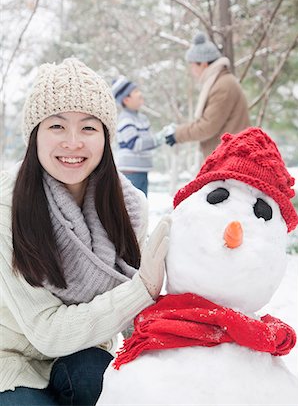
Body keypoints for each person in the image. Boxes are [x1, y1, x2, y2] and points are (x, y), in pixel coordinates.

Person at [0, 58, 170, 406]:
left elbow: (133, 316)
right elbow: (46, 332)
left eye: (89, 128)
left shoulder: (129, 207)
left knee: (105, 384)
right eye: (57, 127)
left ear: (106, 137)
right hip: (13, 358)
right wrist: (141, 291)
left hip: (85, 353)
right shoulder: (7, 206)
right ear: (34, 136)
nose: (73, 143)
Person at [165, 31, 250, 163]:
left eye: (192, 65)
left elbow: (208, 126)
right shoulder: (219, 81)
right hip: (226, 157)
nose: (192, 71)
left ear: (203, 64)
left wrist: (178, 134)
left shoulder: (223, 85)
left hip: (230, 159)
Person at [112, 76, 165, 197]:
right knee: (133, 205)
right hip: (130, 171)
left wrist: (159, 138)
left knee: (143, 204)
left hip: (142, 169)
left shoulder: (143, 118)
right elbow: (135, 144)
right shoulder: (125, 119)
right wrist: (158, 139)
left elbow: (149, 142)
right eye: (135, 92)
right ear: (126, 100)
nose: (140, 94)